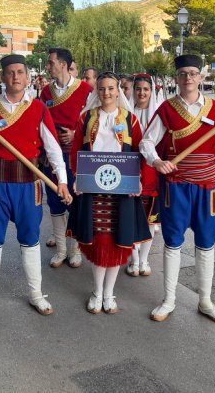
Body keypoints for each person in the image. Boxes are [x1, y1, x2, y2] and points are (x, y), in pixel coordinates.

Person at [0, 54, 72, 319]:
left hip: (27, 185)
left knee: (31, 241)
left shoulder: (38, 108)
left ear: (28, 76)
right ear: (2, 77)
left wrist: (62, 182)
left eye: (20, 72)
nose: (16, 77)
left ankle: (36, 295)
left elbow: (53, 149)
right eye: (10, 72)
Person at [140, 54, 215, 325]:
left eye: (193, 73)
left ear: (201, 76)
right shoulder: (167, 109)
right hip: (177, 186)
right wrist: (157, 161)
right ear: (176, 78)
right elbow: (147, 142)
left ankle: (206, 301)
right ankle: (169, 300)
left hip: (208, 187)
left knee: (206, 244)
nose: (188, 78)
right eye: (183, 73)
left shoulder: (213, 107)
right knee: (173, 242)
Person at [68, 72, 151, 314]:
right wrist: (77, 177)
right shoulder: (86, 119)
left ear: (119, 91)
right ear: (97, 92)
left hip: (121, 190)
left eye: (111, 88)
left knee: (117, 240)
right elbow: (76, 152)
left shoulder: (130, 120)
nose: (106, 93)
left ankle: (109, 294)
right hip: (93, 189)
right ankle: (96, 292)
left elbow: (139, 153)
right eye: (102, 89)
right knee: (97, 240)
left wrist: (139, 181)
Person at [40, 48, 94, 266]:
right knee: (54, 202)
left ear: (63, 64)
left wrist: (76, 135)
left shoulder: (86, 90)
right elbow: (39, 122)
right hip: (50, 158)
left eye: (51, 63)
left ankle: (76, 250)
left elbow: (94, 123)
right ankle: (61, 250)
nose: (48, 66)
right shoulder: (45, 92)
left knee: (76, 201)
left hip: (76, 157)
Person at [126, 73, 164, 277]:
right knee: (131, 216)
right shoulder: (124, 114)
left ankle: (144, 260)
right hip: (130, 170)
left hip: (151, 171)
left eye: (146, 89)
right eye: (138, 89)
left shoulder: (158, 117)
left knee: (150, 219)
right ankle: (133, 260)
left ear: (152, 92)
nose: (141, 93)